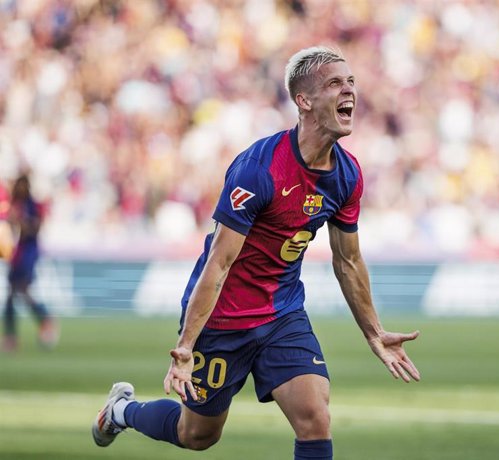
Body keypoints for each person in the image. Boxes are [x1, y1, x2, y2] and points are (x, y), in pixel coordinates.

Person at [92, 46, 420, 459]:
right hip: (223, 319)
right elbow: (219, 262)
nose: (349, 91)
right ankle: (122, 411)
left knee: (314, 417)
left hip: (282, 315)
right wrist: (186, 346)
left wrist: (374, 332)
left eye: (351, 82)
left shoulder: (347, 175)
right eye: (335, 83)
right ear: (304, 101)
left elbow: (348, 260)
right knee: (198, 434)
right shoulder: (259, 169)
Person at [2, 174, 58, 352]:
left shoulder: (31, 205)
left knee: (20, 291)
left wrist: (18, 221)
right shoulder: (14, 205)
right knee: (15, 294)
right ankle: (17, 334)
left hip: (28, 254)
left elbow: (34, 228)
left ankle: (45, 321)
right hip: (18, 254)